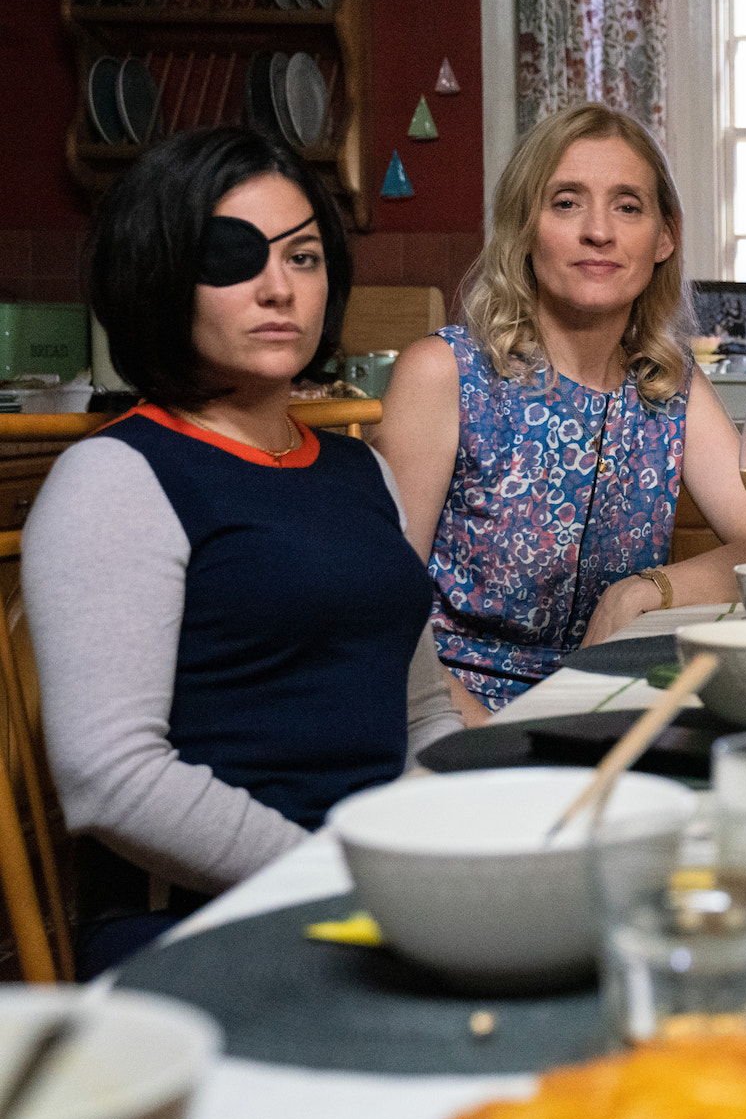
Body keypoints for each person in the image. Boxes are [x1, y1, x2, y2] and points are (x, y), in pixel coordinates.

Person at [22, 127, 463, 975]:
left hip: (373, 900)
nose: (278, 288)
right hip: (203, 925)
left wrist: (430, 855)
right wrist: (335, 875)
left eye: (303, 257)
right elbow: (111, 778)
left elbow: (423, 712)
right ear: (160, 278)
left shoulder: (357, 469)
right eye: (232, 257)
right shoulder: (114, 478)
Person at [376, 103, 746, 715]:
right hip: (451, 709)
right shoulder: (444, 373)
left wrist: (646, 589)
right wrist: (484, 742)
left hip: (608, 706)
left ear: (664, 237)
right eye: (567, 202)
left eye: (627, 206)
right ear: (524, 228)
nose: (598, 231)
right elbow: (383, 612)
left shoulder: (669, 385)